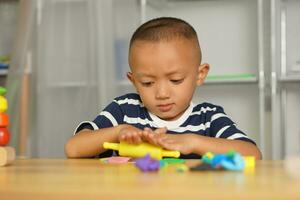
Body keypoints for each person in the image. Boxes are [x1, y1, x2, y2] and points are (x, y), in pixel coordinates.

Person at [65, 17, 262, 160]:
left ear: (199, 75)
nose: (162, 94)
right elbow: (73, 148)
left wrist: (193, 142)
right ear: (133, 80)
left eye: (175, 80)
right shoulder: (124, 109)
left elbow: (252, 154)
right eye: (148, 83)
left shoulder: (208, 118)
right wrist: (118, 132)